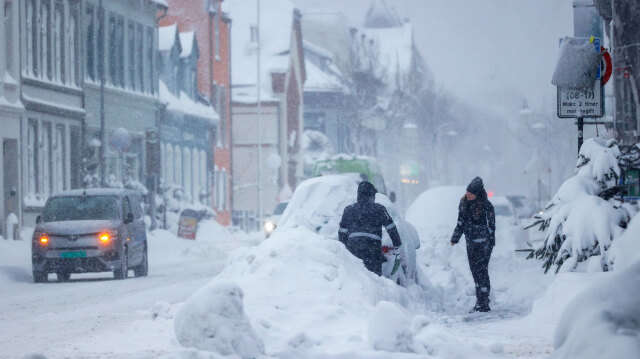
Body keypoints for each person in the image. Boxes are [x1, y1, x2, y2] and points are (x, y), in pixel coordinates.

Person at [451, 176, 496, 313]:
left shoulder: (487, 206)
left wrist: (491, 242)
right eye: (467, 192)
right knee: (475, 271)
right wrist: (455, 237)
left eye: (471, 193)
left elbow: (492, 226)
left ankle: (483, 302)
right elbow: (460, 222)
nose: (468, 195)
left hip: (484, 244)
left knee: (482, 271)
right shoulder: (464, 203)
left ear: (477, 194)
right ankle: (480, 299)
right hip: (471, 242)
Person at [338, 181, 402, 275]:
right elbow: (391, 228)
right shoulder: (380, 209)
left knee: (354, 275)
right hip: (373, 247)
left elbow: (342, 232)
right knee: (374, 278)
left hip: (354, 247)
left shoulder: (349, 209)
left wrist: (343, 248)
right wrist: (397, 244)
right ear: (372, 195)